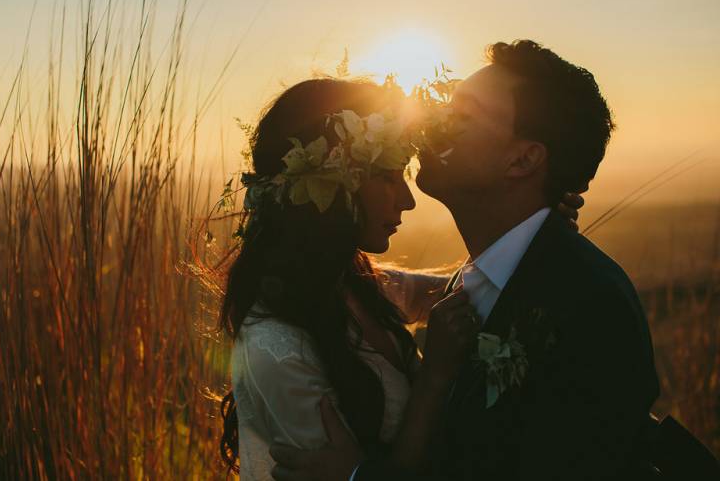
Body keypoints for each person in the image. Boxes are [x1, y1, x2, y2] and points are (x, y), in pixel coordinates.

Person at [269, 41, 660, 481]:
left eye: (463, 113)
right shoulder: (476, 281)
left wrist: (361, 477)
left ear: (523, 159)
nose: (434, 122)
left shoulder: (593, 306)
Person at [207, 76, 584, 481]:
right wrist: (434, 377)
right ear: (332, 183)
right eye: (388, 178)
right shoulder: (276, 347)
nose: (406, 200)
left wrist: (527, 225)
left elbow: (461, 289)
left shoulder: (356, 284)